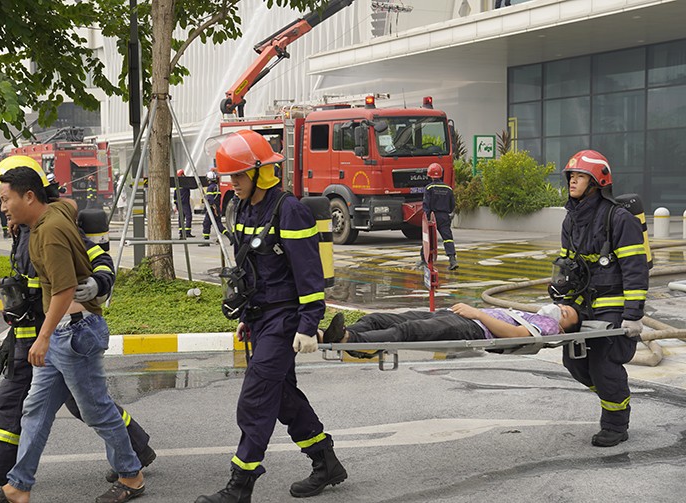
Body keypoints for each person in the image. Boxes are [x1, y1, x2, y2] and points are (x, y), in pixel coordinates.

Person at [0, 157, 155, 499]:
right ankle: (16, 486)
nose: (0, 207)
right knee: (32, 408)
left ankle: (132, 472)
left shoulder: (50, 228)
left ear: (29, 196)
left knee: (93, 408)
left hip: (67, 331)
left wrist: (98, 284)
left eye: (4, 199)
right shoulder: (29, 228)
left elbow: (72, 280)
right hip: (45, 330)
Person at [196, 130, 347, 502]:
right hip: (261, 317)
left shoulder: (288, 210)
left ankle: (240, 486)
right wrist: (247, 314)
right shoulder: (245, 206)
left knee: (256, 398)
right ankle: (325, 461)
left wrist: (309, 324)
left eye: (239, 176)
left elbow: (308, 273)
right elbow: (248, 268)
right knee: (282, 397)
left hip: (285, 321)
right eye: (231, 177)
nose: (233, 183)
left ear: (262, 172)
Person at [554, 149, 648, 447]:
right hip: (583, 304)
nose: (573, 181)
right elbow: (568, 265)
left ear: (596, 182)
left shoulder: (619, 219)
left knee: (603, 365)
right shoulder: (571, 220)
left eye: (580, 176)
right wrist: (560, 295)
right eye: (571, 176)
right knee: (574, 362)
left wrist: (633, 315)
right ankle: (614, 394)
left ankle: (616, 425)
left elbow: (635, 271)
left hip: (614, 307)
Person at [319, 303, 582, 346]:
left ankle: (349, 341)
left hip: (473, 327)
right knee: (382, 318)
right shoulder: (537, 315)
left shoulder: (547, 327)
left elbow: (514, 335)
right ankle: (328, 336)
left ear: (562, 328)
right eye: (563, 305)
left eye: (566, 313)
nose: (560, 308)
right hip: (461, 315)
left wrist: (477, 313)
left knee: (409, 331)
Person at [422, 163, 458, 270]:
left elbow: (426, 205)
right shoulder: (448, 189)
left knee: (428, 239)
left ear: (430, 175)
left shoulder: (429, 188)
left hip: (433, 217)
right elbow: (452, 205)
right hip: (445, 216)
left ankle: (424, 260)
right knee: (448, 239)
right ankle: (452, 260)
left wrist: (426, 218)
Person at [199, 169, 226, 246]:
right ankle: (230, 236)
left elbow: (210, 199)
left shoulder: (210, 188)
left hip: (212, 209)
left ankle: (206, 241)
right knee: (219, 224)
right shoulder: (217, 187)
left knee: (206, 223)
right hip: (216, 208)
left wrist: (208, 203)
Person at [175, 169, 193, 238]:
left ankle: (181, 232)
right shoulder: (184, 183)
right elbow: (191, 186)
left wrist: (176, 204)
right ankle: (187, 232)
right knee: (188, 216)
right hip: (185, 203)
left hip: (179, 203)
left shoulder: (177, 184)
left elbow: (175, 196)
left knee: (181, 217)